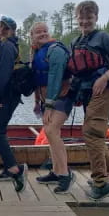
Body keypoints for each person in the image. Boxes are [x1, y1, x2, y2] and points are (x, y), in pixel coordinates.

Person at [69, 0, 109, 200]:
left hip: (107, 89)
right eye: (81, 17)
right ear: (76, 19)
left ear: (96, 18)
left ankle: (101, 182)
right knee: (93, 132)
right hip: (88, 92)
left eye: (89, 17)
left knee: (92, 131)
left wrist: (105, 77)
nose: (85, 21)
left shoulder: (103, 37)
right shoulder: (76, 42)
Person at [30, 22, 75, 194]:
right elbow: (37, 80)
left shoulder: (55, 50)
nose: (43, 34)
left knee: (51, 131)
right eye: (38, 32)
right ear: (32, 36)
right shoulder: (36, 52)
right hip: (46, 100)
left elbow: (55, 79)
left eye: (45, 31)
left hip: (62, 97)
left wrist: (48, 106)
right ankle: (56, 172)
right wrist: (37, 102)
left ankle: (65, 174)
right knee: (50, 132)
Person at [0, 16, 28, 192]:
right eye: (0, 26)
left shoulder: (6, 46)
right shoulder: (2, 45)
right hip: (7, 95)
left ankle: (15, 169)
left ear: (11, 31)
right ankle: (9, 168)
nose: (1, 29)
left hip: (6, 96)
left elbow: (2, 74)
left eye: (5, 27)